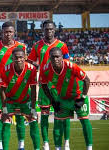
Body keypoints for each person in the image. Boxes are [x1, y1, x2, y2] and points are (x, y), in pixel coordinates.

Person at [27, 20, 70, 150]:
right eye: (46, 29)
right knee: (44, 114)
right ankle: (46, 143)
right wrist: (38, 66)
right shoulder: (37, 46)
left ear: (54, 30)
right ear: (43, 30)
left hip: (59, 85)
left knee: (62, 114)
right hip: (44, 84)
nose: (49, 31)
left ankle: (65, 143)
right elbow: (29, 61)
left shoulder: (62, 45)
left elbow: (67, 63)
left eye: (51, 29)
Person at [40, 47, 93, 150]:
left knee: (84, 121)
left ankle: (89, 148)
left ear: (61, 57)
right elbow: (44, 85)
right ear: (49, 58)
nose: (55, 59)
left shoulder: (71, 66)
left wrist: (83, 97)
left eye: (57, 57)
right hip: (62, 98)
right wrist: (52, 101)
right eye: (53, 57)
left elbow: (86, 80)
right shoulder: (45, 69)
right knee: (58, 122)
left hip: (77, 96)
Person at [0, 21, 27, 150]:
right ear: (1, 33)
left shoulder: (21, 46)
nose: (8, 34)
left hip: (18, 86)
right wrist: (0, 70)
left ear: (14, 32)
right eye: (5, 32)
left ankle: (21, 145)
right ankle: (0, 146)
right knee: (0, 116)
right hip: (1, 87)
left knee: (20, 116)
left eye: (10, 32)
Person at [0, 48, 40, 150]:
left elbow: (34, 89)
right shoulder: (6, 69)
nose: (18, 59)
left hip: (26, 99)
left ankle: (35, 148)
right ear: (12, 58)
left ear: (25, 57)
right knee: (6, 122)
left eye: (21, 57)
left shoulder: (31, 69)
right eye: (16, 57)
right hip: (10, 100)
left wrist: (33, 108)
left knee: (33, 120)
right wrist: (4, 109)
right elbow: (2, 90)